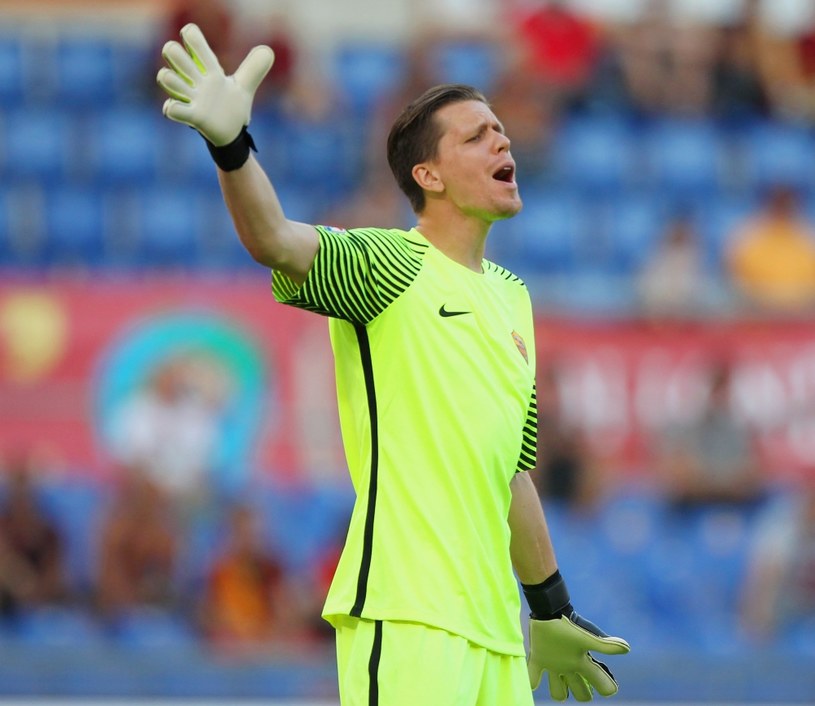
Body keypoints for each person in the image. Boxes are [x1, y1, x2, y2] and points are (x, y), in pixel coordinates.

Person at [157, 24, 629, 705]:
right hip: (408, 618)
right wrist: (232, 147)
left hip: (495, 633)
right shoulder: (389, 265)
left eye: (499, 129)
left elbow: (514, 477)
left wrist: (549, 607)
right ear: (427, 175)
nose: (502, 140)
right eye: (475, 135)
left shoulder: (512, 297)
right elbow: (275, 240)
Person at [726, 183, 815, 315]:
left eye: (787, 204)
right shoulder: (746, 237)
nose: (783, 209)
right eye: (778, 203)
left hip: (803, 314)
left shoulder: (808, 237)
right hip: (756, 313)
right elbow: (734, 281)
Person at [0, 451, 66, 620]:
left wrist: (38, 594)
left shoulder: (48, 531)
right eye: (18, 488)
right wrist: (18, 582)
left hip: (41, 601)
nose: (22, 493)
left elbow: (54, 572)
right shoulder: (4, 527)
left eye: (27, 487)